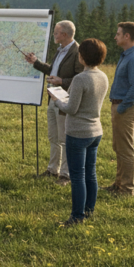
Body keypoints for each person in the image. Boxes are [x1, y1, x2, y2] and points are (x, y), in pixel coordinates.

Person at [50, 39, 109, 227]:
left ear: (82, 57)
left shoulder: (80, 79)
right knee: (90, 174)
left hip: (78, 132)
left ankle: (77, 216)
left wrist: (56, 100)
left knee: (77, 177)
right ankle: (89, 210)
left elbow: (71, 108)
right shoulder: (103, 76)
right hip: (95, 131)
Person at [24, 21, 83, 185]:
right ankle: (52, 170)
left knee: (64, 139)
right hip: (52, 98)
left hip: (65, 101)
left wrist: (61, 81)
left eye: (56, 33)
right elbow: (53, 71)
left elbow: (80, 78)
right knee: (54, 137)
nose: (54, 35)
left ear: (64, 34)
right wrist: (35, 62)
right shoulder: (60, 50)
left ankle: (66, 175)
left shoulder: (77, 52)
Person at [105, 22, 134, 197]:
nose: (115, 37)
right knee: (119, 148)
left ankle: (126, 190)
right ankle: (118, 184)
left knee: (126, 150)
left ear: (127, 36)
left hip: (126, 108)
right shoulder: (126, 55)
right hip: (120, 106)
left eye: (118, 34)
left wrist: (121, 108)